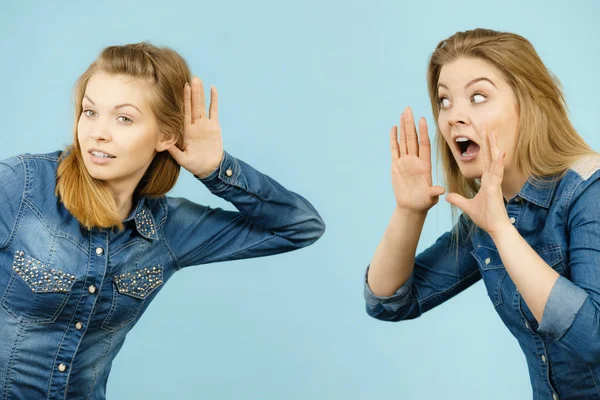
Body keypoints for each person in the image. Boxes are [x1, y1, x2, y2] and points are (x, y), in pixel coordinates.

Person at [0, 42, 325, 399]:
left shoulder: (171, 228)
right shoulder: (22, 186)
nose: (98, 132)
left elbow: (300, 226)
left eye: (123, 118)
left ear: (166, 136)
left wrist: (217, 170)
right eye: (90, 112)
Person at [364, 28, 600, 399]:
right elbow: (388, 302)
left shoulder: (589, 190)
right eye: (444, 101)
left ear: (528, 104)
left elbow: (593, 338)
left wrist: (502, 232)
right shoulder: (489, 216)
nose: (454, 116)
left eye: (477, 96)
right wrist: (408, 212)